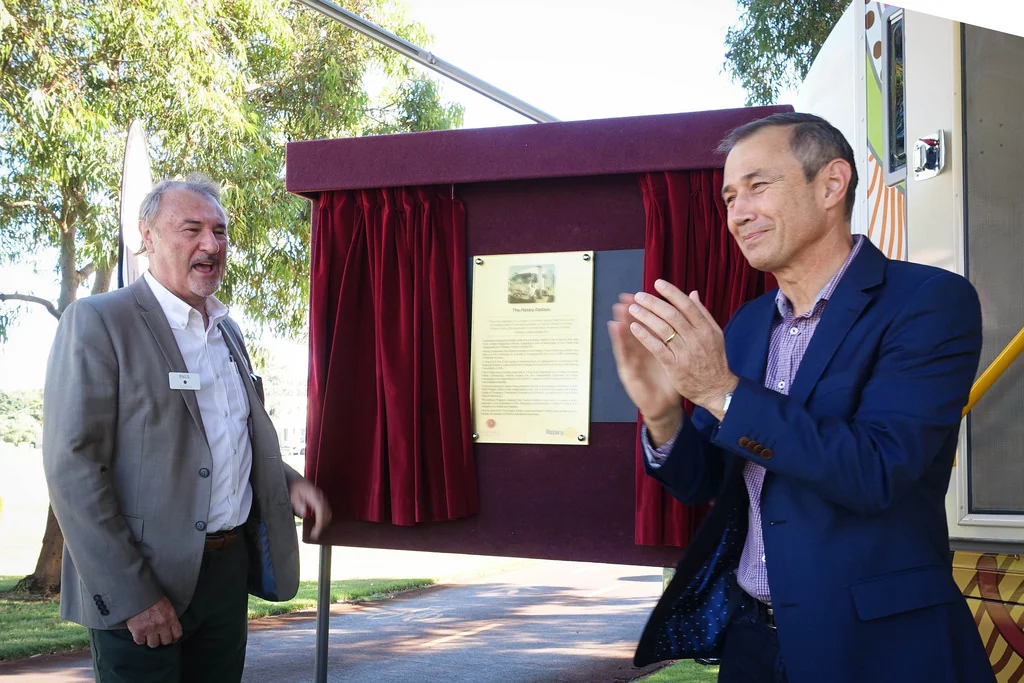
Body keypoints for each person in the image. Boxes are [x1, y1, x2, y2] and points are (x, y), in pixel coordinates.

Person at [609, 113, 995, 683]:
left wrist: (720, 391)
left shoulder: (929, 303)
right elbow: (701, 483)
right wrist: (664, 414)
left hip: (880, 648)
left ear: (832, 184)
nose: (738, 213)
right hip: (752, 647)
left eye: (757, 187)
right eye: (729, 197)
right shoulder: (744, 326)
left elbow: (876, 469)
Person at [42, 174, 332, 683]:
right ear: (147, 237)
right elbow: (73, 469)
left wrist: (290, 483)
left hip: (224, 575)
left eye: (220, 232)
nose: (211, 244)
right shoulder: (99, 321)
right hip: (146, 581)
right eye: (192, 229)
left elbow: (227, 439)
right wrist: (134, 596)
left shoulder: (228, 331)